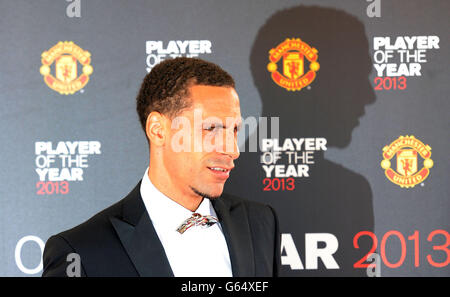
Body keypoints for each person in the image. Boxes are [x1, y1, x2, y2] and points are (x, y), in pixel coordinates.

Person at [42, 57, 281, 277]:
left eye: (235, 130)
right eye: (212, 129)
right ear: (158, 129)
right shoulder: (81, 252)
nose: (232, 150)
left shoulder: (259, 223)